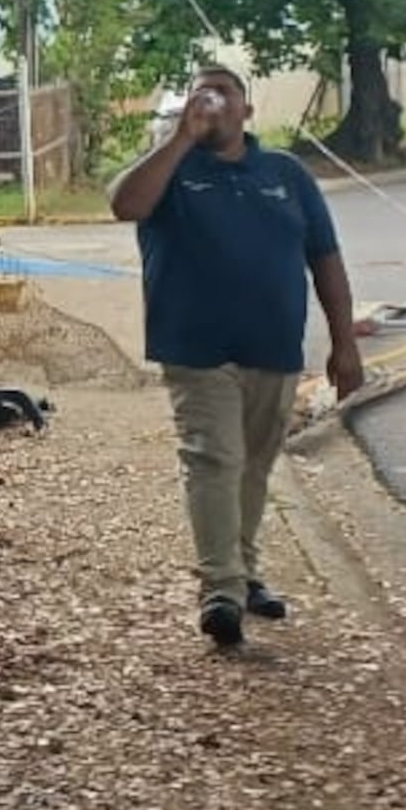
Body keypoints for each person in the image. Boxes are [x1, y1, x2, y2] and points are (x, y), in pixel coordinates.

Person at [109, 67, 362, 647]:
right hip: (196, 349)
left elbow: (325, 258)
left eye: (226, 91)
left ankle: (244, 574)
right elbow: (125, 205)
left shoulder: (286, 174)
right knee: (214, 459)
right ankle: (220, 591)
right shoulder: (172, 170)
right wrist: (179, 138)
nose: (215, 99)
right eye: (203, 90)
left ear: (248, 112)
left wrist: (345, 344)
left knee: (253, 464)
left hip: (272, 348)